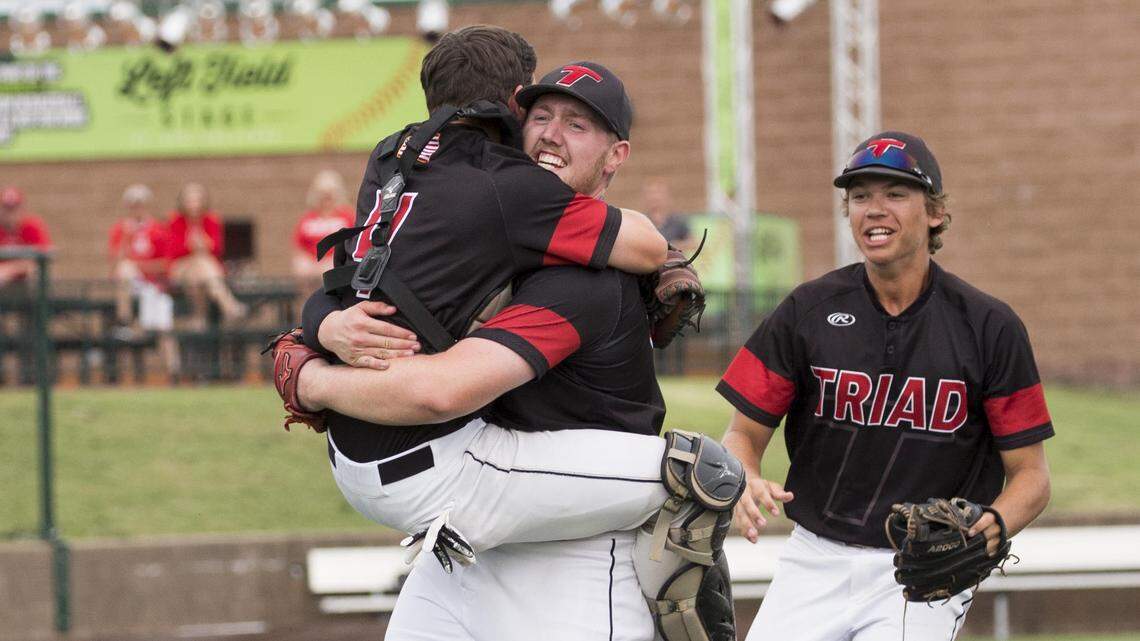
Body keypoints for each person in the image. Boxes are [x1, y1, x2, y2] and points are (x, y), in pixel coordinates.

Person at [290, 60, 740, 641]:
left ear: (615, 156)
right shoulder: (489, 231)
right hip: (465, 549)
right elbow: (365, 286)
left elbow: (436, 389)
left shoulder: (585, 279)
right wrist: (322, 323)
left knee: (693, 473)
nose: (551, 132)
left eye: (578, 125)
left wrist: (311, 382)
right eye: (542, 115)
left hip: (571, 567)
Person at [719, 131, 1054, 641]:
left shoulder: (990, 327)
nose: (874, 210)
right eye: (859, 197)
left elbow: (1032, 476)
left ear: (935, 212)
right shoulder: (805, 311)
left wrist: (988, 531)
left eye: (895, 194)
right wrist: (745, 474)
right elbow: (742, 433)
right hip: (814, 556)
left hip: (921, 572)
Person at [107, 184, 180, 377]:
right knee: (125, 269)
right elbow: (116, 266)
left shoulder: (158, 229)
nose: (137, 208)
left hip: (154, 285)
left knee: (164, 327)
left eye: (140, 204)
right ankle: (125, 320)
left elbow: (166, 264)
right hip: (132, 287)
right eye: (133, 204)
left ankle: (174, 372)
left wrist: (138, 266)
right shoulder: (121, 230)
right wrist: (126, 238)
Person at [166, 182, 247, 328]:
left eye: (197, 200)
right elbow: (174, 251)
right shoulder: (176, 221)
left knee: (199, 268)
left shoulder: (211, 220)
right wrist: (192, 247)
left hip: (201, 272)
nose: (193, 204)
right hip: (180, 268)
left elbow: (217, 249)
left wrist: (203, 244)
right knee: (200, 262)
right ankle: (229, 306)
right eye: (190, 200)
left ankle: (199, 317)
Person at [291, 169, 355, 297]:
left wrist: (331, 260)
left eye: (330, 193)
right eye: (323, 193)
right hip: (312, 265)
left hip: (336, 262)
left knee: (329, 271)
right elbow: (299, 246)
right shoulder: (309, 218)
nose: (326, 198)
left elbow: (353, 243)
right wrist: (310, 262)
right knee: (303, 268)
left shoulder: (347, 216)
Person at [0, 186, 51, 286]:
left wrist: (9, 270)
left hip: (26, 287)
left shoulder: (32, 227)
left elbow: (38, 262)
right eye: (6, 208)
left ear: (22, 208)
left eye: (14, 208)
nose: (11, 214)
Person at [643, 177, 694, 254]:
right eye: (651, 194)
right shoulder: (641, 221)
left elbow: (692, 243)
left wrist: (673, 246)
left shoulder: (678, 220)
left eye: (659, 193)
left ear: (666, 197)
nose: (655, 197)